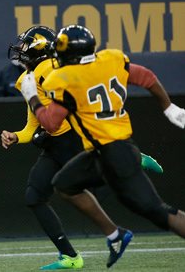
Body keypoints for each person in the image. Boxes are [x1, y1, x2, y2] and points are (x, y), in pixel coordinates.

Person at [19, 24, 185, 267]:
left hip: (115, 152)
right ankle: (115, 235)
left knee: (158, 213)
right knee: (64, 184)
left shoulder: (68, 79)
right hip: (102, 151)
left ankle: (118, 232)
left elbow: (51, 123)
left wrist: (32, 96)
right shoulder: (110, 61)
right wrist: (169, 108)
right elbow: (147, 77)